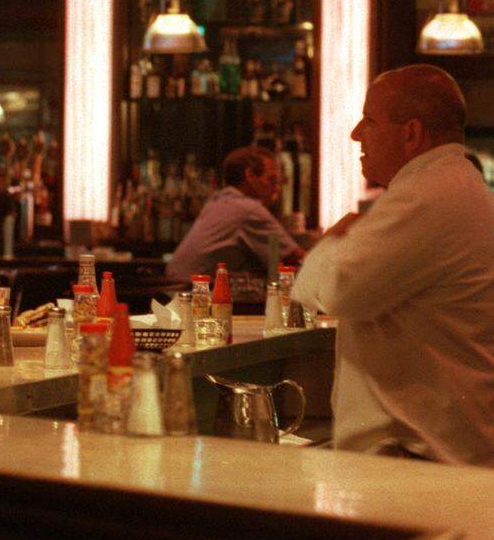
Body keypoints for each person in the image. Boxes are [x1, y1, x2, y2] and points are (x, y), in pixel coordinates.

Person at [294, 64, 494, 466]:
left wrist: (331, 241)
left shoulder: (425, 195)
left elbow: (336, 290)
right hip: (446, 448)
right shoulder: (462, 187)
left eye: (369, 120)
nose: (355, 134)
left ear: (411, 134)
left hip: (416, 455)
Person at [165, 146, 304, 283]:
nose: (276, 189)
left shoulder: (218, 201)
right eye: (272, 180)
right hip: (194, 292)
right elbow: (297, 258)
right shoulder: (248, 209)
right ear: (250, 176)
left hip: (170, 289)